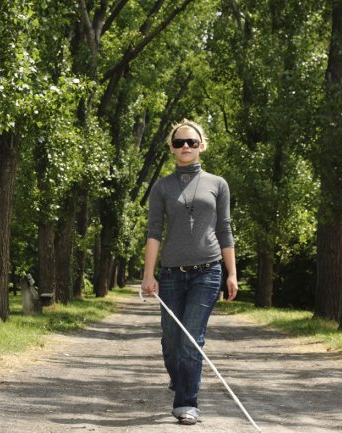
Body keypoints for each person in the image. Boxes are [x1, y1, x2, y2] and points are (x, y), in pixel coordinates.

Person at [141, 119, 238, 426]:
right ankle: (179, 378)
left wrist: (231, 273)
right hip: (170, 273)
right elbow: (154, 232)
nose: (186, 147)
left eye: (191, 142)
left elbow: (225, 229)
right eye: (180, 142)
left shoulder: (218, 184)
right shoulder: (161, 187)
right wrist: (148, 274)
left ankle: (186, 403)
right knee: (171, 340)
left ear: (201, 147)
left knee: (191, 340)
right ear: (171, 148)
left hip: (207, 272)